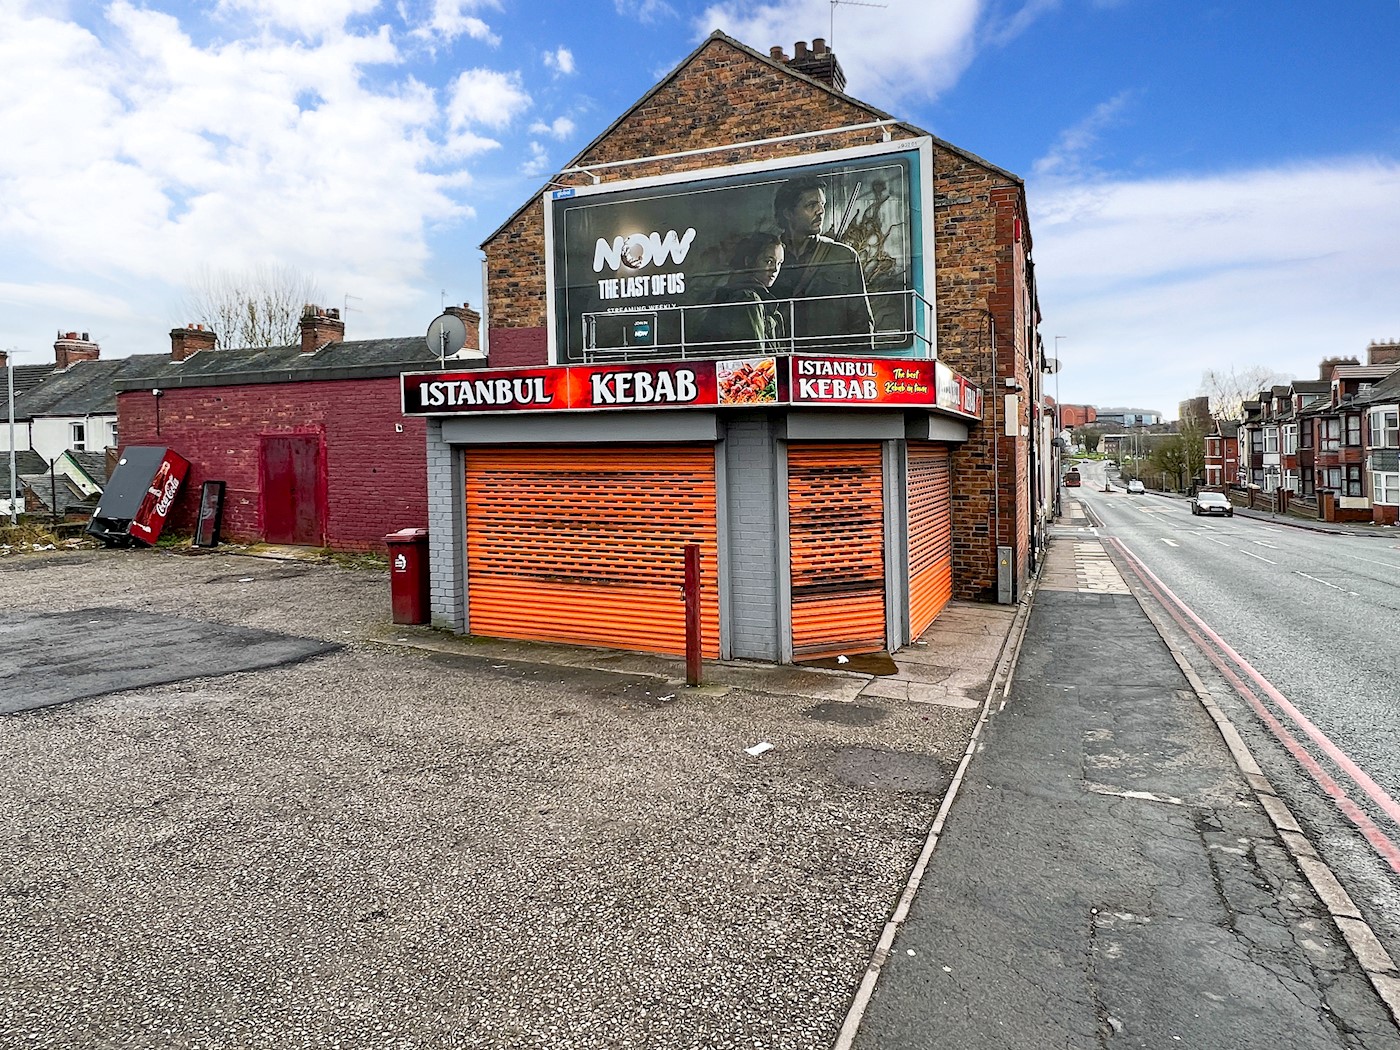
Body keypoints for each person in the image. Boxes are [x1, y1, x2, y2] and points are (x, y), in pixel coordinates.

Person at [769, 176, 874, 349]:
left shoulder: (843, 257)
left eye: (822, 205)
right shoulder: (767, 256)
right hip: (782, 363)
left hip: (829, 366)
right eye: (811, 205)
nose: (820, 211)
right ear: (788, 213)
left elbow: (862, 323)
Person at [700, 232, 787, 352]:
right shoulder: (747, 298)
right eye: (768, 261)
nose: (775, 269)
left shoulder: (747, 294)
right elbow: (754, 356)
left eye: (779, 263)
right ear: (749, 261)